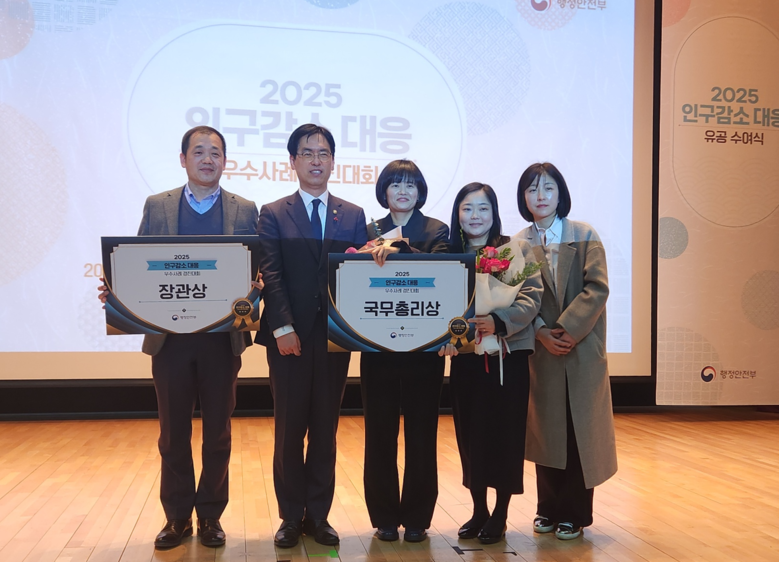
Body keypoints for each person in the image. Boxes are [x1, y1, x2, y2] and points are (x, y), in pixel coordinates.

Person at [98, 126, 261, 549]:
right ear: (183, 158)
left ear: (225, 161)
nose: (208, 159)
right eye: (199, 152)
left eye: (216, 153)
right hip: (169, 341)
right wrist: (116, 289)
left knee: (218, 433)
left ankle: (210, 516)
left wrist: (256, 290)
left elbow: (254, 271)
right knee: (172, 433)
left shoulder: (245, 209)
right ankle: (176, 517)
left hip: (221, 341)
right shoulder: (158, 206)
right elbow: (136, 262)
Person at [255, 124, 368, 548]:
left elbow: (359, 278)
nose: (316, 160)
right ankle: (290, 516)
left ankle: (318, 516)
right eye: (307, 153)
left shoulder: (353, 215)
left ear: (333, 161)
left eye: (323, 153)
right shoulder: (273, 212)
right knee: (289, 430)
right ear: (293, 161)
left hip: (335, 340)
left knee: (325, 429)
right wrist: (282, 327)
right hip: (289, 339)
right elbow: (271, 273)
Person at [516, 162, 617, 540]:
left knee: (579, 433)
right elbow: (517, 297)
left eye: (548, 188)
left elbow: (597, 289)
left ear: (561, 194)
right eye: (532, 189)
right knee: (547, 433)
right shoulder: (518, 243)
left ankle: (575, 513)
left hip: (582, 349)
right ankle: (547, 508)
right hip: (542, 352)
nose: (540, 196)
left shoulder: (584, 235)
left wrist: (567, 330)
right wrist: (541, 333)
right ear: (523, 198)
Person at [438, 183, 542, 544]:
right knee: (471, 435)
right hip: (466, 359)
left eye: (483, 209)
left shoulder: (514, 250)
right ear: (458, 214)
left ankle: (500, 514)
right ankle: (479, 510)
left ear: (494, 213)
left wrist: (498, 321)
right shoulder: (449, 255)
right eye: (467, 209)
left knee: (505, 435)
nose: (475, 216)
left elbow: (531, 297)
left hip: (507, 358)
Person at [358, 160, 449, 543]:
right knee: (379, 435)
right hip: (377, 348)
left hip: (423, 351)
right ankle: (383, 517)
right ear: (384, 190)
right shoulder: (369, 231)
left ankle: (417, 518)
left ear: (420, 191)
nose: (403, 191)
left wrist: (399, 248)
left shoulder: (437, 230)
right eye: (395, 184)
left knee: (421, 436)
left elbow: (442, 272)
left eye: (410, 185)